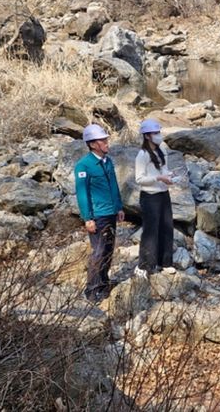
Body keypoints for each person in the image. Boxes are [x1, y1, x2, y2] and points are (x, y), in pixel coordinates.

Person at [74, 123, 125, 303]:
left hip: (110, 212)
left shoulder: (107, 161)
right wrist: (87, 218)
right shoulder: (83, 166)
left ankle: (103, 283)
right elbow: (82, 194)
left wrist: (119, 207)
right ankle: (92, 290)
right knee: (99, 251)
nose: (106, 143)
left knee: (109, 249)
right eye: (103, 140)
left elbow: (114, 186)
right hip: (98, 215)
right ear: (93, 144)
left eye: (106, 139)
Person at [135, 118, 176, 279]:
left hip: (163, 193)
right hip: (150, 196)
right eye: (155, 133)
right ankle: (145, 265)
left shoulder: (161, 150)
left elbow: (164, 169)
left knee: (167, 227)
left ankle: (165, 262)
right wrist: (158, 178)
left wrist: (169, 176)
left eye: (159, 132)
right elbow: (139, 179)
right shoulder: (142, 155)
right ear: (147, 136)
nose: (158, 135)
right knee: (150, 231)